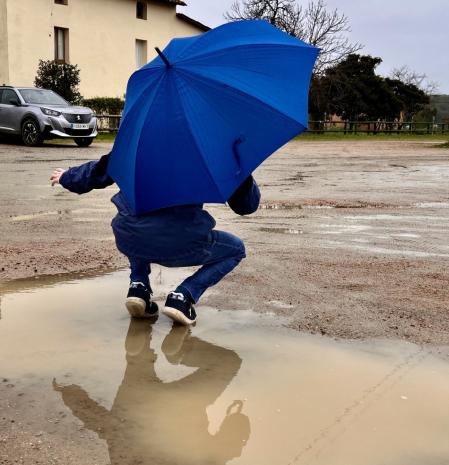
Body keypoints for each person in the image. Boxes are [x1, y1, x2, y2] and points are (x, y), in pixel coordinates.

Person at [50, 153, 260, 325]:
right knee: (236, 249)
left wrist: (67, 176)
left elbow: (97, 172)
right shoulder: (213, 152)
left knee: (137, 222)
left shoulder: (139, 141)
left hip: (129, 236)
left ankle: (138, 285)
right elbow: (246, 206)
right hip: (179, 242)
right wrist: (241, 164)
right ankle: (184, 296)